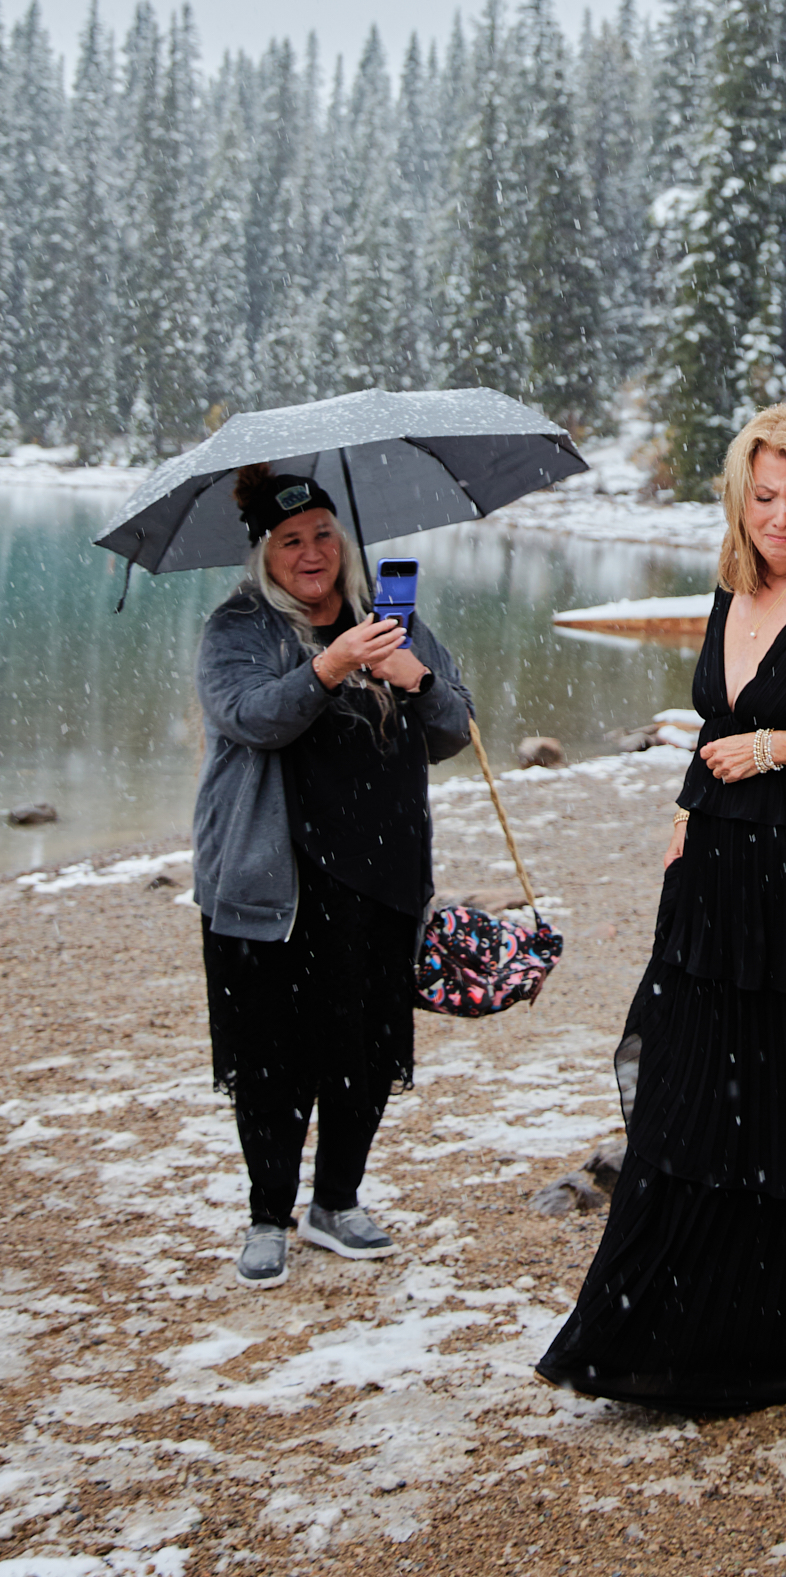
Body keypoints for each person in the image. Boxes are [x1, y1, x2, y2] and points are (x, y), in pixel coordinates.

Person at [536, 405, 786, 1412]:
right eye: (763, 494)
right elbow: (715, 720)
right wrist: (684, 819)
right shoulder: (733, 584)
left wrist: (782, 747)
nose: (780, 516)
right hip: (714, 876)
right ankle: (661, 1331)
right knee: (693, 1096)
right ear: (739, 498)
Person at [193, 466, 474, 1290]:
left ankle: (337, 1201)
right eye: (290, 541)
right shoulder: (237, 628)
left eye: (322, 534)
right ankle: (267, 1215)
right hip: (273, 884)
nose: (311, 552)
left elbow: (455, 726)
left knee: (365, 1047)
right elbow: (250, 718)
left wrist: (411, 676)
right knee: (272, 1055)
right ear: (265, 556)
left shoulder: (392, 619)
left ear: (342, 541)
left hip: (381, 877)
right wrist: (329, 665)